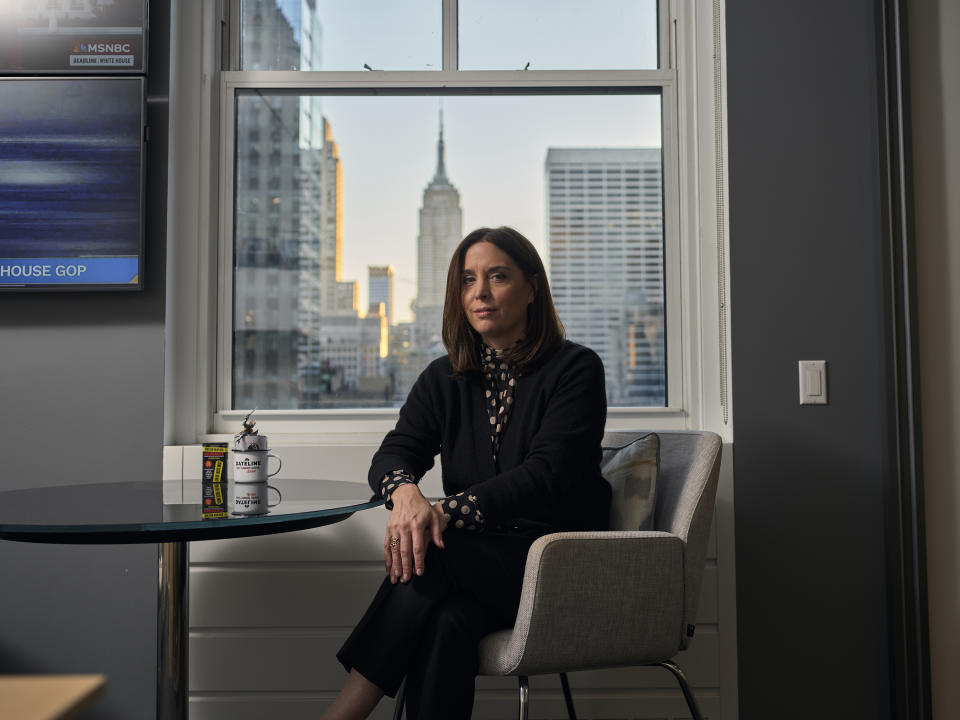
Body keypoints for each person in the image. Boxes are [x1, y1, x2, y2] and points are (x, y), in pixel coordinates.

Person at [323, 226, 610, 720]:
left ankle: (345, 713)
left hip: (557, 562)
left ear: (531, 287)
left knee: (437, 550)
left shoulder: (576, 369)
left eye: (497, 277)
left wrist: (441, 513)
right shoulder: (444, 377)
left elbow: (546, 474)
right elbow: (394, 454)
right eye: (467, 280)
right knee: (446, 621)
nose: (479, 293)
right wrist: (408, 497)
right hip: (480, 571)